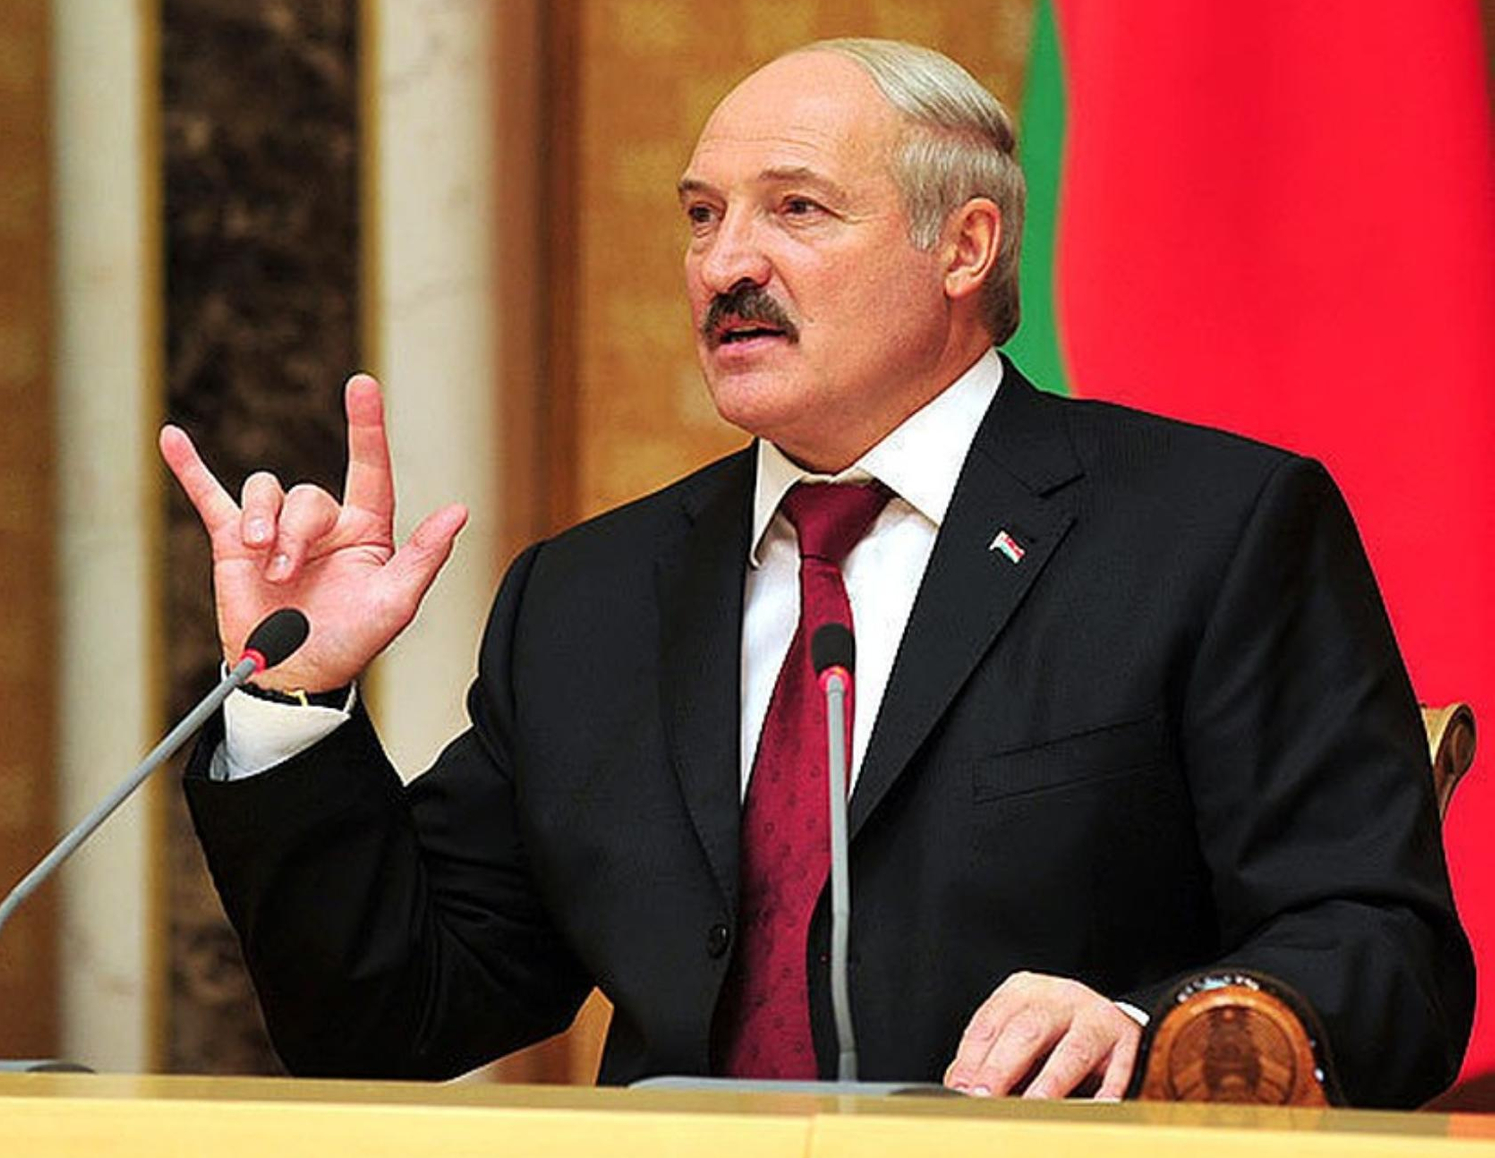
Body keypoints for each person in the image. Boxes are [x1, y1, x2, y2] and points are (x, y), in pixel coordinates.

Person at [161, 39, 1472, 1106]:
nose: (724, 264)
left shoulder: (1209, 530)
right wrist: (292, 699)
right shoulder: (589, 596)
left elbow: (1383, 955)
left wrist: (1144, 1028)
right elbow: (395, 1018)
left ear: (963, 247)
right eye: (701, 216)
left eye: (795, 208)